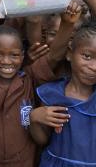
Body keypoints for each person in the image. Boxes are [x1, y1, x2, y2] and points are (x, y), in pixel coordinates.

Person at [0, 4, 81, 167]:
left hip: (25, 161)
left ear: (23, 56)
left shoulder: (30, 78)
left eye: (14, 55)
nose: (6, 61)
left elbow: (53, 56)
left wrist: (67, 24)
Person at [30, 21, 96, 167]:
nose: (94, 67)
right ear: (69, 54)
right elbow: (42, 140)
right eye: (87, 56)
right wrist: (34, 118)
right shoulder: (52, 94)